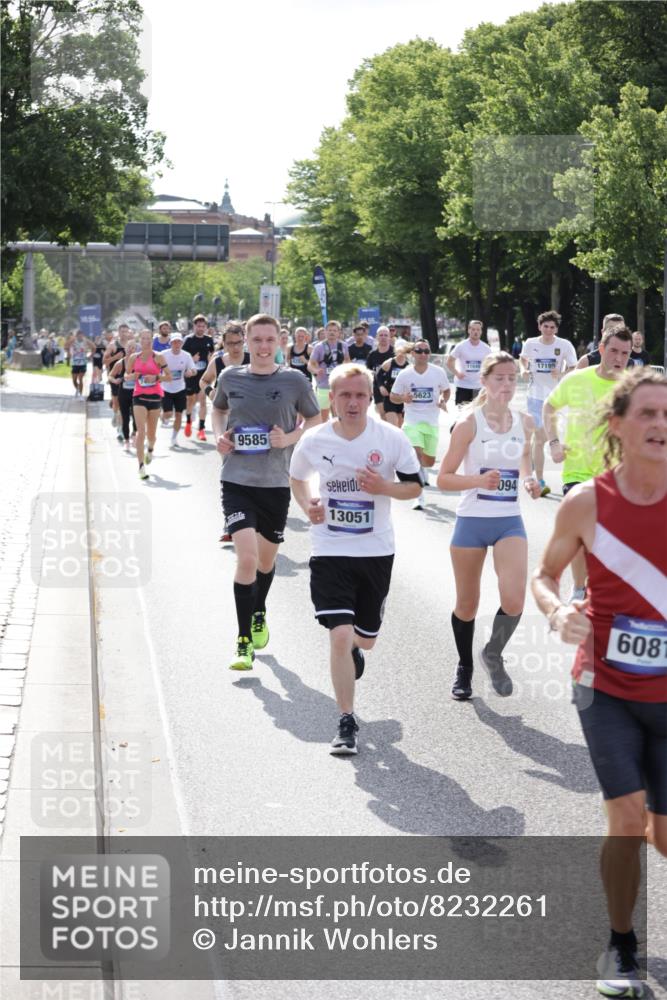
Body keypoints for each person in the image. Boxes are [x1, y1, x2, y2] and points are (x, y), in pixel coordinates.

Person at [532, 367, 667, 1000]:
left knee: (660, 833)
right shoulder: (587, 501)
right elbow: (546, 574)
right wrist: (559, 612)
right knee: (626, 814)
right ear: (617, 425)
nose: (660, 425)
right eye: (647, 413)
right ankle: (621, 944)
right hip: (604, 684)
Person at [289, 363, 421, 754]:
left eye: (360, 395)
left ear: (370, 397)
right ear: (332, 398)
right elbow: (297, 478)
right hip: (330, 548)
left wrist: (384, 487)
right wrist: (306, 506)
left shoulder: (392, 438)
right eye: (344, 395)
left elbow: (414, 488)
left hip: (376, 550)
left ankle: (354, 653)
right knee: (340, 634)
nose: (353, 402)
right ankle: (346, 720)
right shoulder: (314, 440)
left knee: (365, 640)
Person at [212, 313, 321, 670]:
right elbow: (218, 410)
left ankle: (259, 609)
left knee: (265, 561)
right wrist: (219, 437)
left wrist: (288, 438)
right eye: (256, 340)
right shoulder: (230, 377)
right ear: (245, 341)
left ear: (279, 343)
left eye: (269, 340)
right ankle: (243, 641)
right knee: (245, 558)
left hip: (275, 482)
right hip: (237, 480)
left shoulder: (294, 380)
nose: (262, 347)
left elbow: (315, 421)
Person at [437, 352, 541, 700]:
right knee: (467, 604)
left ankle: (492, 652)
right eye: (500, 378)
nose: (507, 385)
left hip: (509, 521)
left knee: (513, 600)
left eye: (513, 378)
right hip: (472, 521)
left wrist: (530, 481)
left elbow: (524, 461)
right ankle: (464, 667)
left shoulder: (525, 422)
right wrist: (478, 483)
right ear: (484, 381)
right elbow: (443, 479)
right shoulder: (469, 423)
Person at [543, 326, 633, 602]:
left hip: (618, 474)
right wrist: (555, 443)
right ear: (602, 350)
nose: (619, 358)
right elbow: (549, 407)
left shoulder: (633, 387)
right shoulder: (576, 379)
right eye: (614, 351)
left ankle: (605, 587)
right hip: (578, 471)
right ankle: (580, 589)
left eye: (625, 353)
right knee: (582, 534)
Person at [519, 311, 577, 496]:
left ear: (556, 329)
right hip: (535, 396)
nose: (549, 330)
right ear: (540, 327)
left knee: (548, 439)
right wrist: (523, 370)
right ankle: (541, 480)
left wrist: (560, 375)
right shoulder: (531, 343)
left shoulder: (564, 345)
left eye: (552, 327)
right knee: (540, 438)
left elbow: (573, 366)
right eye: (546, 326)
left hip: (556, 398)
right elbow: (523, 358)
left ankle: (543, 468)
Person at [390, 339, 450, 509]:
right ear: (413, 353)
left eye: (426, 351)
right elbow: (393, 396)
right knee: (415, 454)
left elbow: (446, 390)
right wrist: (403, 398)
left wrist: (442, 399)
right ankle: (419, 496)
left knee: (428, 462)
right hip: (412, 421)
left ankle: (423, 471)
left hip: (431, 422)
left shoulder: (438, 372)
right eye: (419, 350)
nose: (423, 354)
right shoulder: (405, 374)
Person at [125, 330, 171, 479]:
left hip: (155, 397)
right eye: (143, 338)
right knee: (141, 432)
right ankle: (141, 467)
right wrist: (133, 376)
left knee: (151, 435)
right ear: (140, 341)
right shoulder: (133, 358)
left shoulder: (158, 357)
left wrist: (156, 377)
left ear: (152, 340)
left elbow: (169, 377)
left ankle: (150, 449)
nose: (146, 341)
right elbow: (126, 376)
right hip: (139, 396)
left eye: (149, 338)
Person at [308, 320, 349, 422]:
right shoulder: (319, 347)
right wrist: (316, 370)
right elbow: (310, 364)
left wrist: (346, 369)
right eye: (329, 330)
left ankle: (338, 435)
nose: (332, 332)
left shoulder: (344, 346)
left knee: (339, 414)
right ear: (325, 332)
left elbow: (347, 360)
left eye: (334, 330)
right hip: (324, 384)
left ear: (339, 332)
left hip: (340, 385)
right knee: (323, 415)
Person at [161, 332, 197, 447]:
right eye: (174, 342)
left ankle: (174, 438)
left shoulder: (186, 355)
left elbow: (194, 369)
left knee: (178, 415)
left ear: (181, 343)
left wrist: (190, 372)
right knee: (168, 414)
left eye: (179, 342)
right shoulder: (163, 355)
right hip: (165, 388)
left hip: (180, 389)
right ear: (170, 343)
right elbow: (155, 367)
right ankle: (163, 416)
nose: (177, 344)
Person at [183, 314, 215, 440]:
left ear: (206, 327)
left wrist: (210, 359)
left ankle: (201, 429)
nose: (200, 328)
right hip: (191, 375)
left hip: (204, 375)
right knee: (190, 401)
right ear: (194, 326)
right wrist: (192, 359)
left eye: (203, 326)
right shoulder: (188, 340)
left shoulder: (209, 340)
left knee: (202, 401)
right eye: (198, 326)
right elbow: (182, 357)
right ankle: (189, 421)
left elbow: (212, 354)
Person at [447, 319, 492, 406]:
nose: (475, 332)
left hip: (479, 386)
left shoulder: (486, 348)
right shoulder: (461, 346)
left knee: (478, 415)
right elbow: (449, 362)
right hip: (463, 385)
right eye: (473, 329)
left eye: (478, 329)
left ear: (481, 331)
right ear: (468, 330)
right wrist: (457, 373)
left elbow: (491, 365)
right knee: (462, 415)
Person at [108, 340, 137, 451]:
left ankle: (134, 435)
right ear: (125, 349)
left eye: (133, 347)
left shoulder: (139, 362)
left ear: (136, 350)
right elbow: (110, 376)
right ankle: (126, 440)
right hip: (123, 394)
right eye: (129, 347)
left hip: (136, 394)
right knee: (125, 418)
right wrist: (115, 381)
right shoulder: (120, 363)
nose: (130, 349)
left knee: (136, 417)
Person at [375, 345, 411, 427]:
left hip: (402, 399)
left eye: (403, 352)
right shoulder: (389, 363)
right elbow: (378, 375)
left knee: (399, 426)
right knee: (393, 425)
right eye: (399, 352)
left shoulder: (408, 366)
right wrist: (381, 386)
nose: (401, 354)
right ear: (396, 352)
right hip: (390, 397)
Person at [366, 326, 394, 420]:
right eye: (381, 335)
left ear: (389, 337)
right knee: (383, 414)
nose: (383, 337)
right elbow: (368, 371)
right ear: (377, 337)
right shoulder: (372, 354)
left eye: (385, 335)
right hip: (377, 387)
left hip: (393, 388)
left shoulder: (395, 353)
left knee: (394, 416)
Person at [65, 330, 95, 396]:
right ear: (76, 335)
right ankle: (78, 389)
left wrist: (90, 356)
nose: (80, 336)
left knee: (80, 379)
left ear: (83, 335)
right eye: (78, 335)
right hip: (75, 362)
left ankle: (81, 395)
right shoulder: (73, 340)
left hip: (83, 362)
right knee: (74, 380)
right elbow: (65, 346)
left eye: (81, 335)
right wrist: (69, 353)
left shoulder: (86, 341)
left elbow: (94, 347)